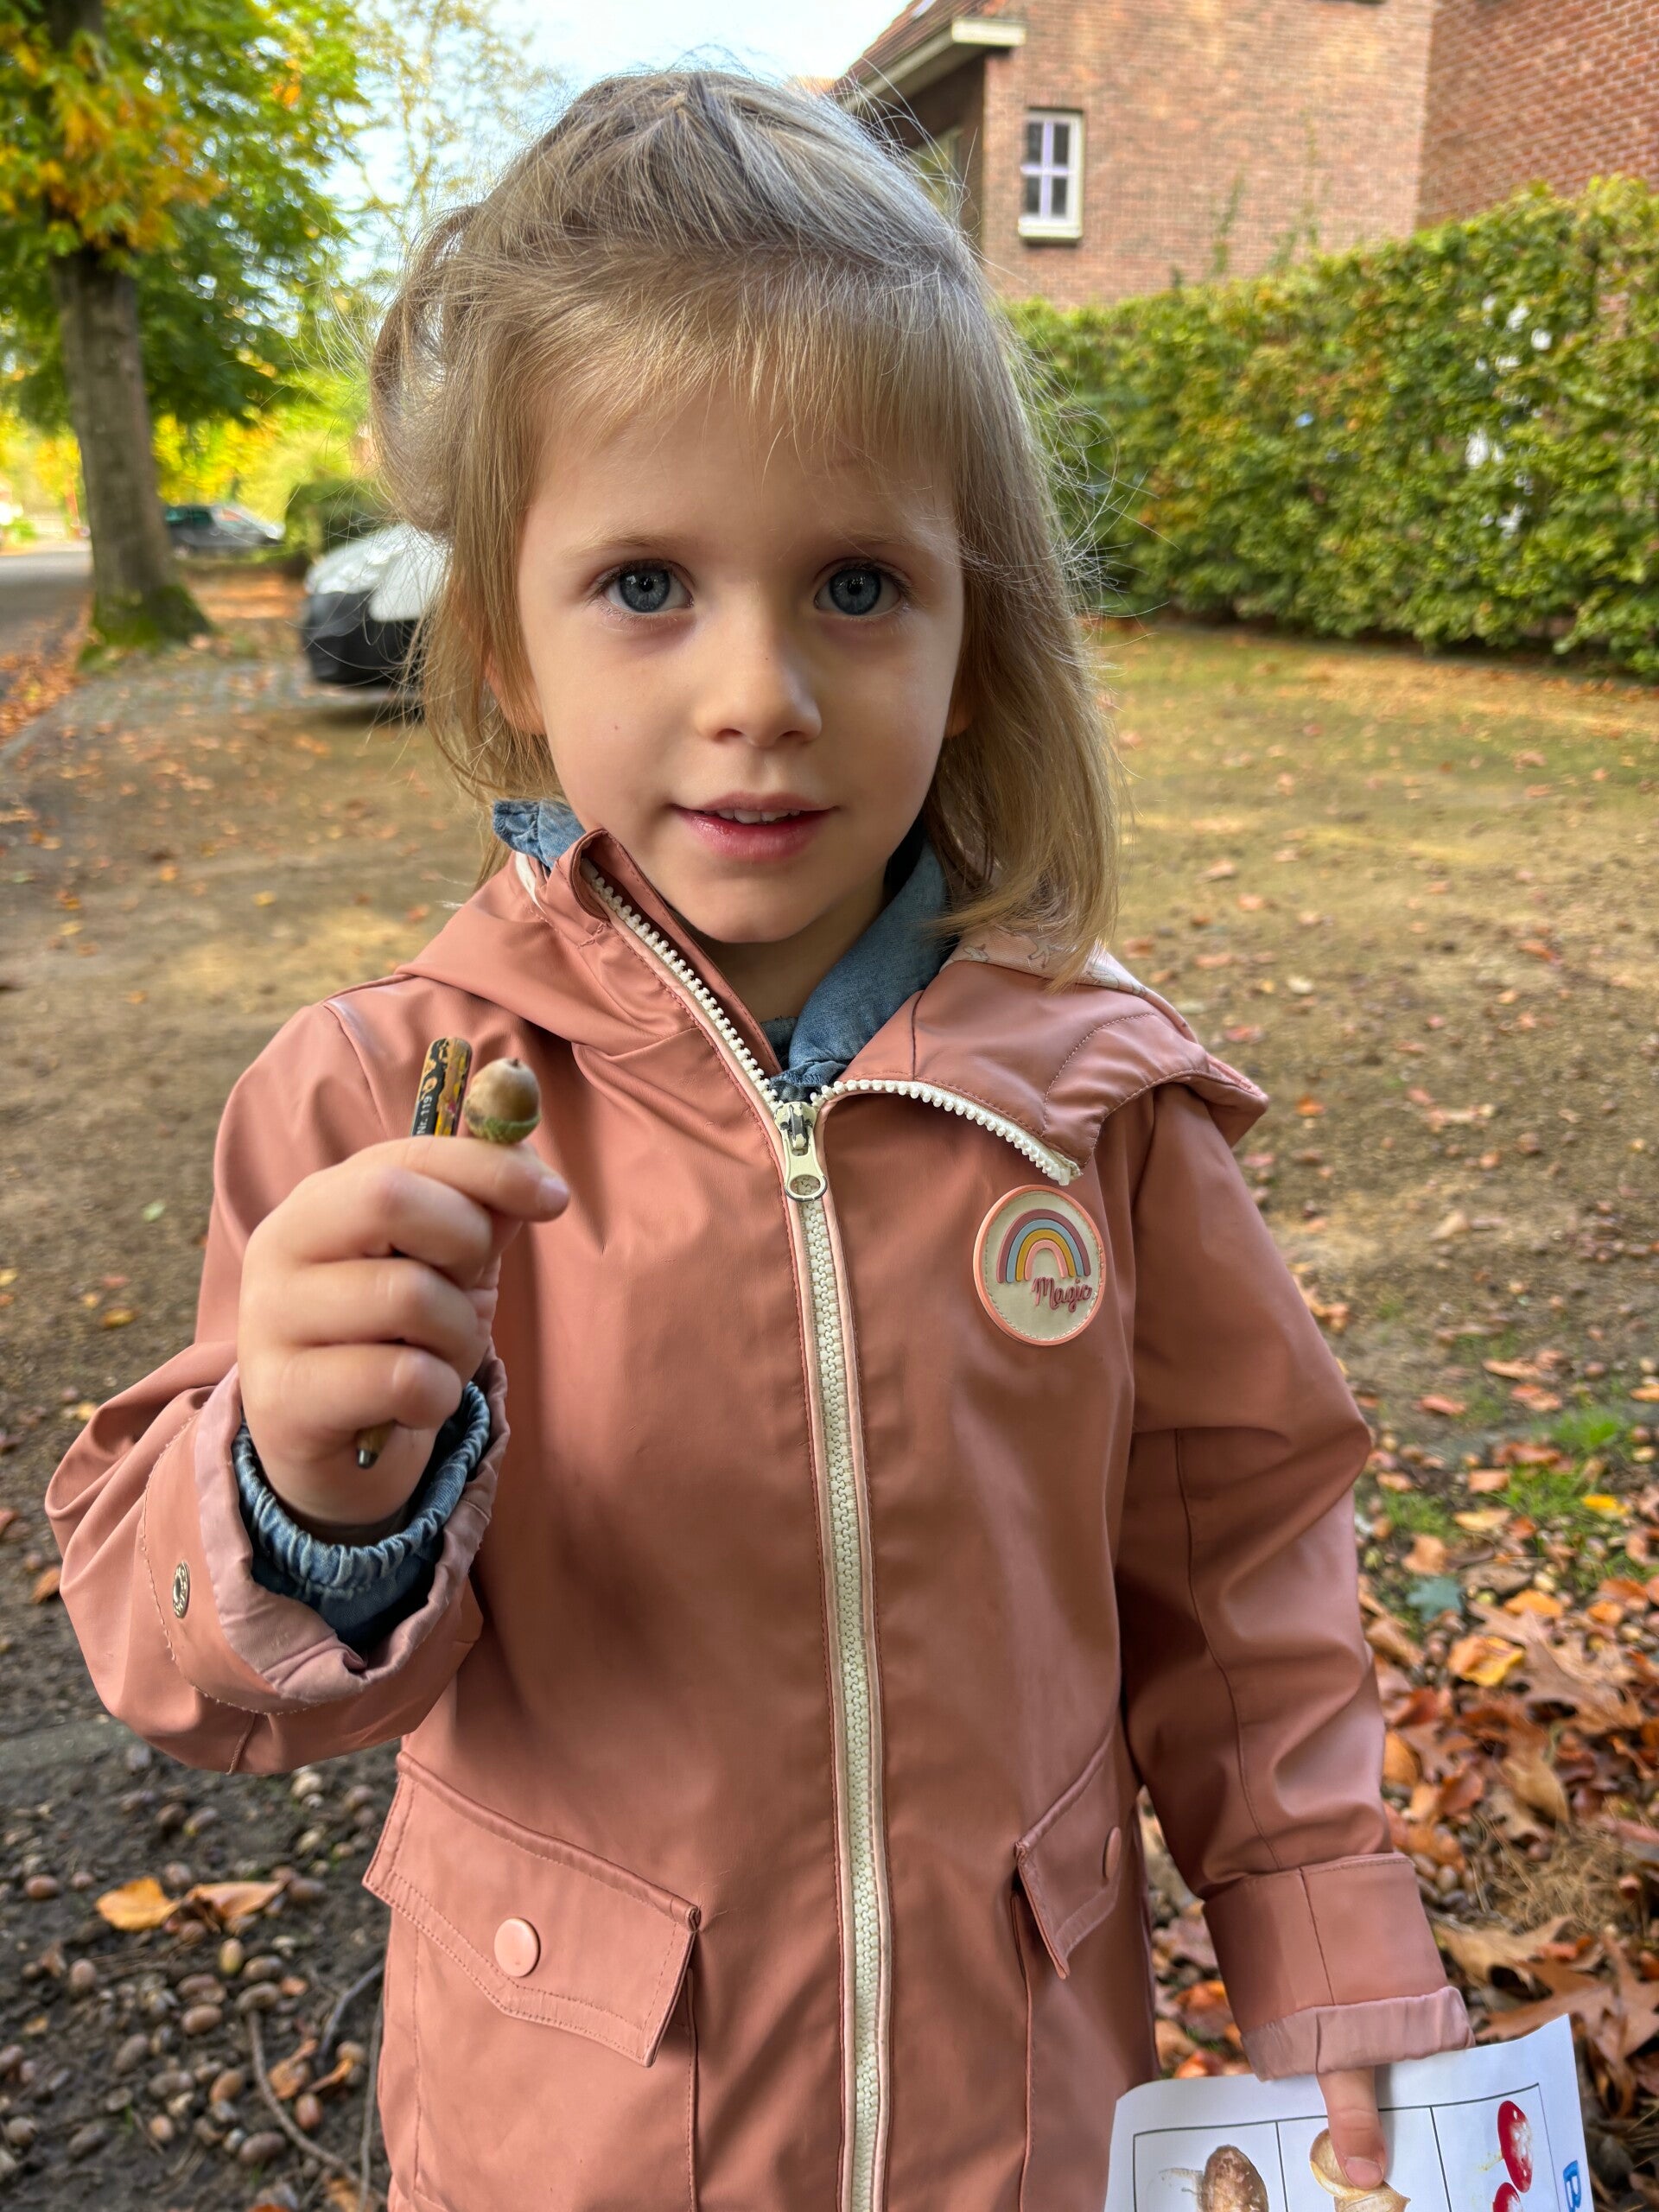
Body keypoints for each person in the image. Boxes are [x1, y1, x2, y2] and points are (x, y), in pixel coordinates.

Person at [47, 71, 1469, 2212]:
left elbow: (1242, 1555)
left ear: (975, 636)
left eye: (857, 584)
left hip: (1015, 2126)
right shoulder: (374, 1103)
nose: (758, 690)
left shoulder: (1097, 1105)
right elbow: (178, 1661)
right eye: (645, 580)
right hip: (576, 2132)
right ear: (502, 641)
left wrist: (1329, 1942)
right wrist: (304, 1496)